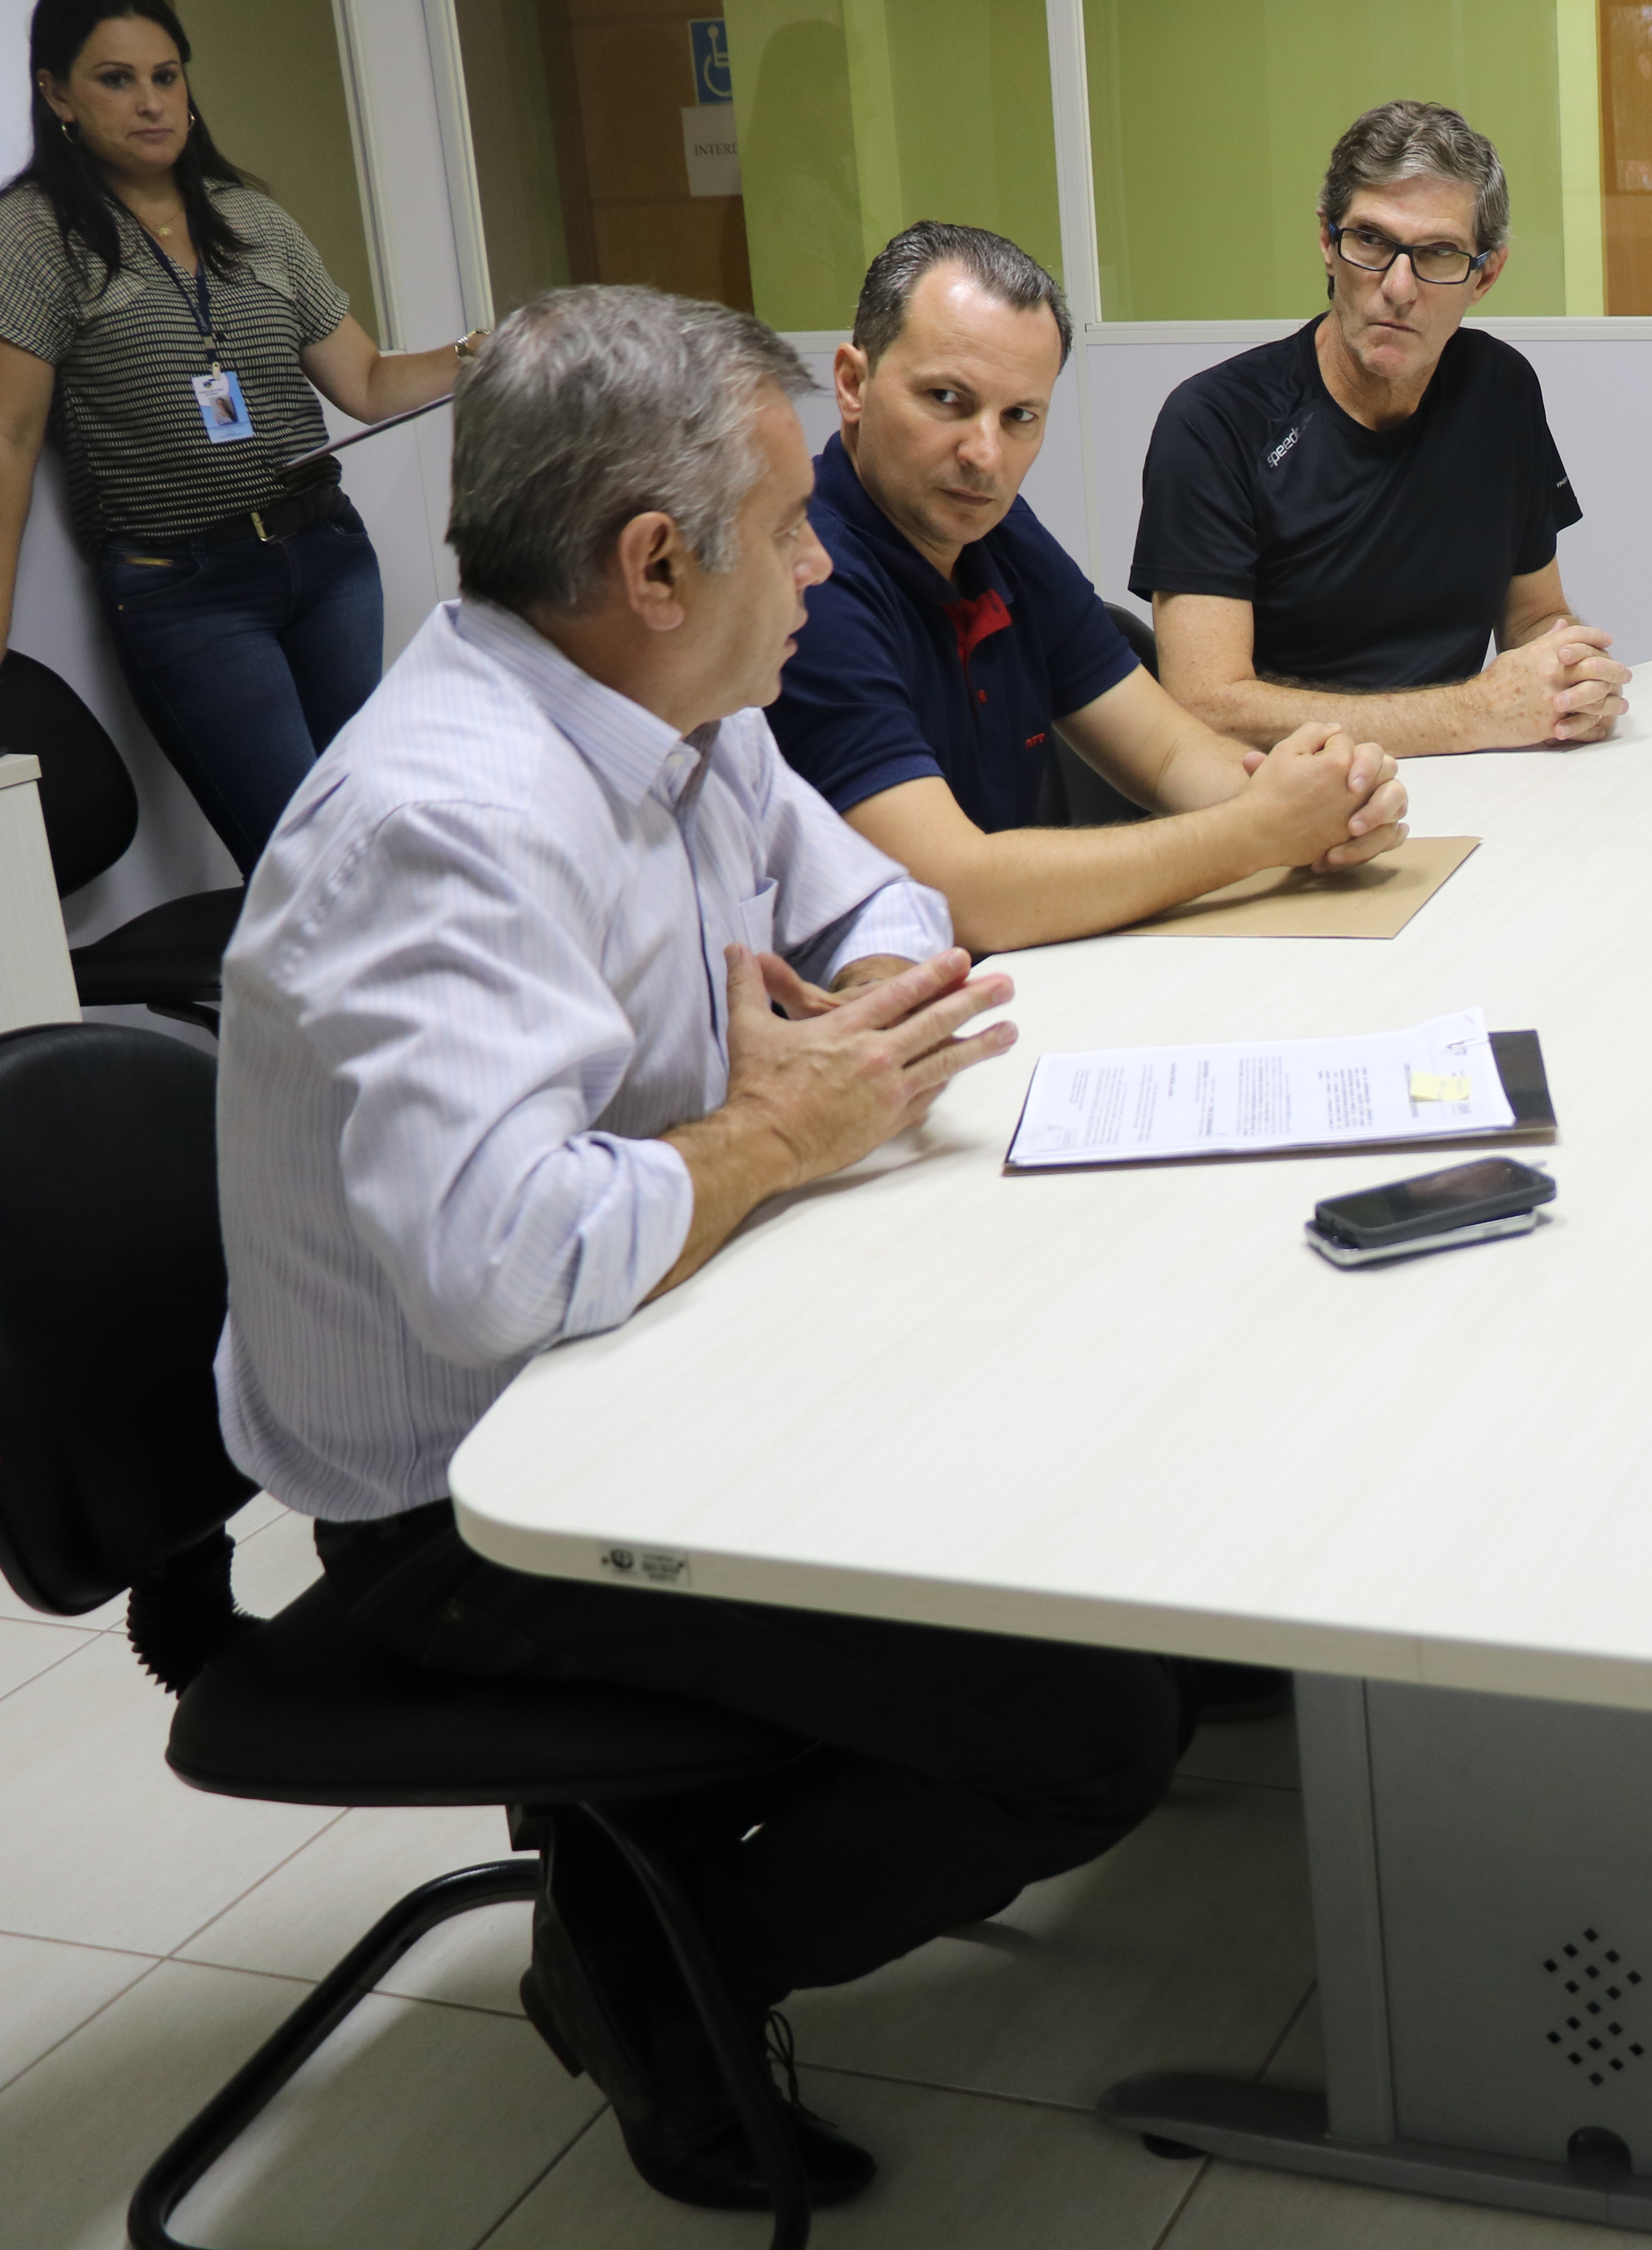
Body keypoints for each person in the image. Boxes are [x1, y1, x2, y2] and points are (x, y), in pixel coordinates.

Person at [215, 285, 1185, 2212]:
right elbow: (503, 1264)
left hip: (656, 1356)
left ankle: (654, 1880)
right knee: (1088, 1719)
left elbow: (891, 908)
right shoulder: (449, 823)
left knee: (1105, 1518)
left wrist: (850, 1019)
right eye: (798, 522)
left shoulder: (680, 710)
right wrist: (763, 1128)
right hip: (477, 1506)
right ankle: (655, 1971)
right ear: (657, 562)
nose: (830, 560)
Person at [771, 220, 1408, 953]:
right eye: (947, 398)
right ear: (853, 384)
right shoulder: (806, 583)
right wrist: (1258, 829)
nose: (985, 454)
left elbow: (1170, 755)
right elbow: (961, 893)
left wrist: (1324, 807)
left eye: (1020, 417)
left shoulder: (994, 534)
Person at [0, 0, 476, 871]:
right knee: (308, 868)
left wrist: (485, 353)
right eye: (117, 80)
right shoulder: (31, 236)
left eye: (166, 76)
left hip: (326, 560)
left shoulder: (250, 218)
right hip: (186, 590)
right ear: (56, 94)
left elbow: (367, 385)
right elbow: (10, 442)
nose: (151, 102)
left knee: (380, 836)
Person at [1135, 99, 1631, 757]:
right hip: (1288, 806)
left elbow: (1535, 616)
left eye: (1440, 253)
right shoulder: (1216, 424)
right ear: (1327, 242)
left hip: (1477, 785)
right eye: (1371, 241)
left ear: (1486, 274)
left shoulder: (1500, 389)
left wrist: (1570, 680)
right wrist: (1472, 714)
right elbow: (1208, 705)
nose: (1398, 287)